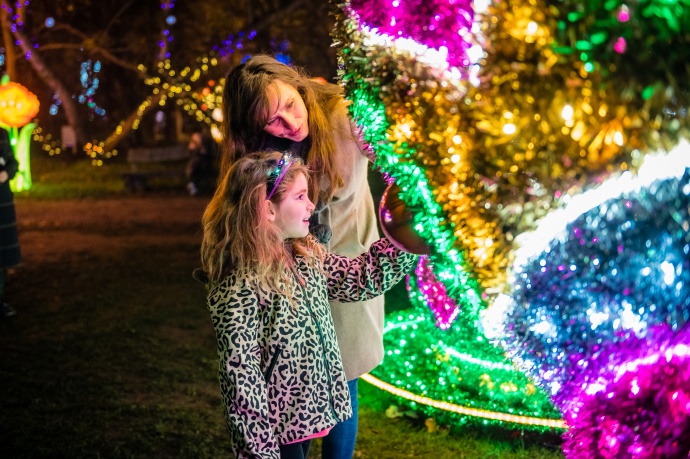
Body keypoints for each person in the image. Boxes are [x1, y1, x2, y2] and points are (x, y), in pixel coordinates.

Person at [197, 151, 416, 459]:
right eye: (300, 196)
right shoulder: (239, 284)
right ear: (267, 209)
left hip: (310, 413)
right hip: (276, 428)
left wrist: (407, 240)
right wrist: (260, 452)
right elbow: (241, 379)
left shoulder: (305, 255)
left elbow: (359, 278)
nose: (312, 206)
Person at [221, 55, 384, 458]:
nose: (290, 125)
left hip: (348, 268)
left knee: (342, 380)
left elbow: (404, 158)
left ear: (299, 84)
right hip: (286, 279)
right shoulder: (258, 154)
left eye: (290, 106)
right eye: (273, 121)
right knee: (293, 389)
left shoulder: (346, 117)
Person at [0, 128, 20, 317]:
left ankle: (0, 300)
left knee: (2, 254)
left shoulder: (2, 134)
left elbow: (13, 163)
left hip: (1, 200)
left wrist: (6, 173)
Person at [185, 126, 216, 196]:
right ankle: (192, 185)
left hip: (199, 161)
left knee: (195, 170)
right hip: (199, 160)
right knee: (195, 169)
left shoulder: (197, 137)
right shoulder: (197, 136)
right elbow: (197, 148)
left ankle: (192, 185)